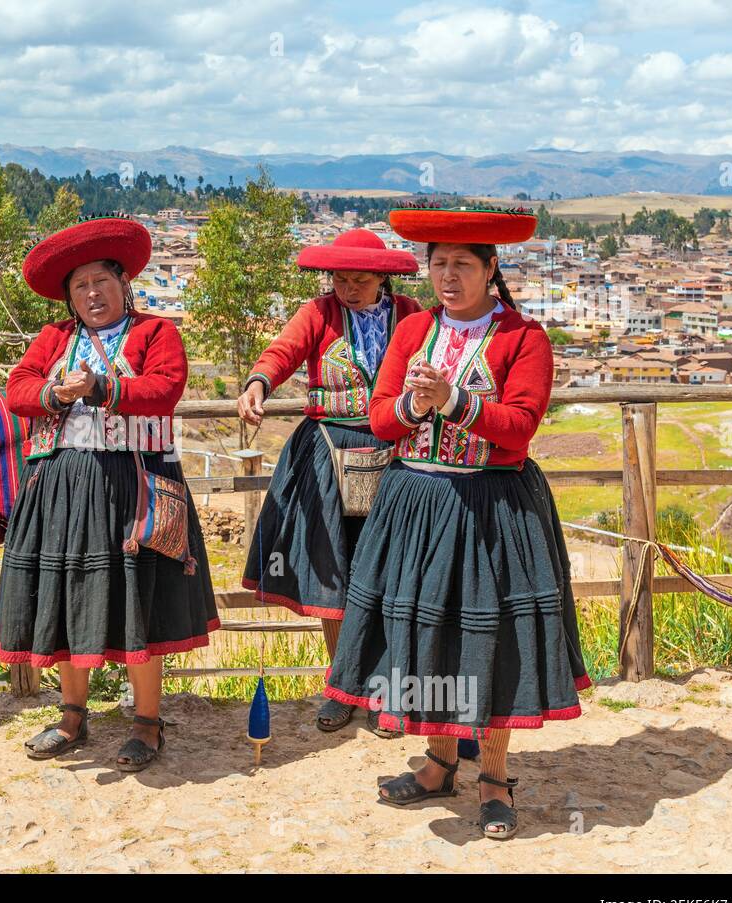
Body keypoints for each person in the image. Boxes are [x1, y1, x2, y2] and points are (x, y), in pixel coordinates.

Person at [321, 205, 591, 840]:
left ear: (490, 269)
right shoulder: (414, 335)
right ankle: (441, 760)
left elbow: (518, 431)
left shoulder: (523, 339)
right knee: (432, 633)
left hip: (492, 507)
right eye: (438, 263)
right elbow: (381, 418)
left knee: (488, 642)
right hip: (416, 504)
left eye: (462, 264)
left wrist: (457, 402)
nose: (447, 275)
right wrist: (414, 406)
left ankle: (494, 779)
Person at [0, 215, 220, 772]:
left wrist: (100, 387)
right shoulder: (53, 340)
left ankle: (147, 722)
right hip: (65, 486)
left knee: (135, 596)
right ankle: (72, 714)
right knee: (72, 592)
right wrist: (53, 391)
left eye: (101, 281)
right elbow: (17, 388)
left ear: (124, 284)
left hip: (131, 483)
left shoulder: (156, 333)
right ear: (70, 297)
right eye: (79, 285)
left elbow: (164, 388)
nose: (92, 293)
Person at [236, 229, 421, 735]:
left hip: (398, 450)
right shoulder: (317, 314)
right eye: (339, 279)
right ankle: (342, 686)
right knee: (332, 571)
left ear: (383, 278)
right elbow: (282, 352)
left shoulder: (411, 315)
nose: (348, 289)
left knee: (387, 572)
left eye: (360, 280)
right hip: (327, 454)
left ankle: (387, 690)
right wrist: (258, 383)